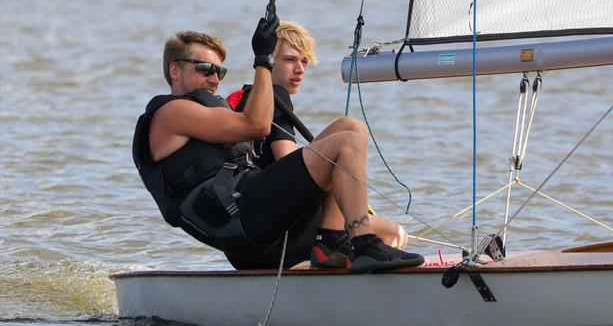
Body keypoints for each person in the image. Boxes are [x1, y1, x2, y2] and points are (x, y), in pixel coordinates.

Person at [132, 15, 424, 273]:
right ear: (174, 71)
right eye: (205, 68)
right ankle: (364, 244)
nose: (214, 78)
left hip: (259, 223)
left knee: (350, 127)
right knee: (346, 142)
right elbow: (257, 125)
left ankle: (331, 244)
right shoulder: (171, 113)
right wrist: (263, 60)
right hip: (241, 224)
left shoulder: (208, 113)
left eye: (220, 72)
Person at [225, 21, 409, 269]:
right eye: (290, 60)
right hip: (279, 227)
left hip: (255, 229)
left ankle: (329, 250)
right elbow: (289, 165)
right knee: (395, 232)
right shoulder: (275, 95)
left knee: (350, 126)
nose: (299, 69)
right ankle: (333, 252)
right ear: (270, 61)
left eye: (304, 61)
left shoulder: (249, 98)